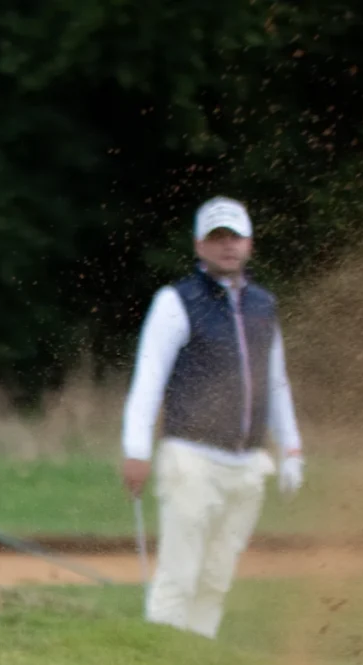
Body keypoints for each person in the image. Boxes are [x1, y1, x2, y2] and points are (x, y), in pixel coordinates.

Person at [120, 195, 307, 638]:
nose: (227, 245)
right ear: (199, 245)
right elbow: (148, 380)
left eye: (235, 237)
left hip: (247, 464)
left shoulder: (263, 306)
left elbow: (276, 382)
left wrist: (291, 449)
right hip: (191, 458)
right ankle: (163, 663)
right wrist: (136, 449)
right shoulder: (177, 301)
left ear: (249, 244)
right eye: (217, 237)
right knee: (179, 575)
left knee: (216, 579)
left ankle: (199, 664)